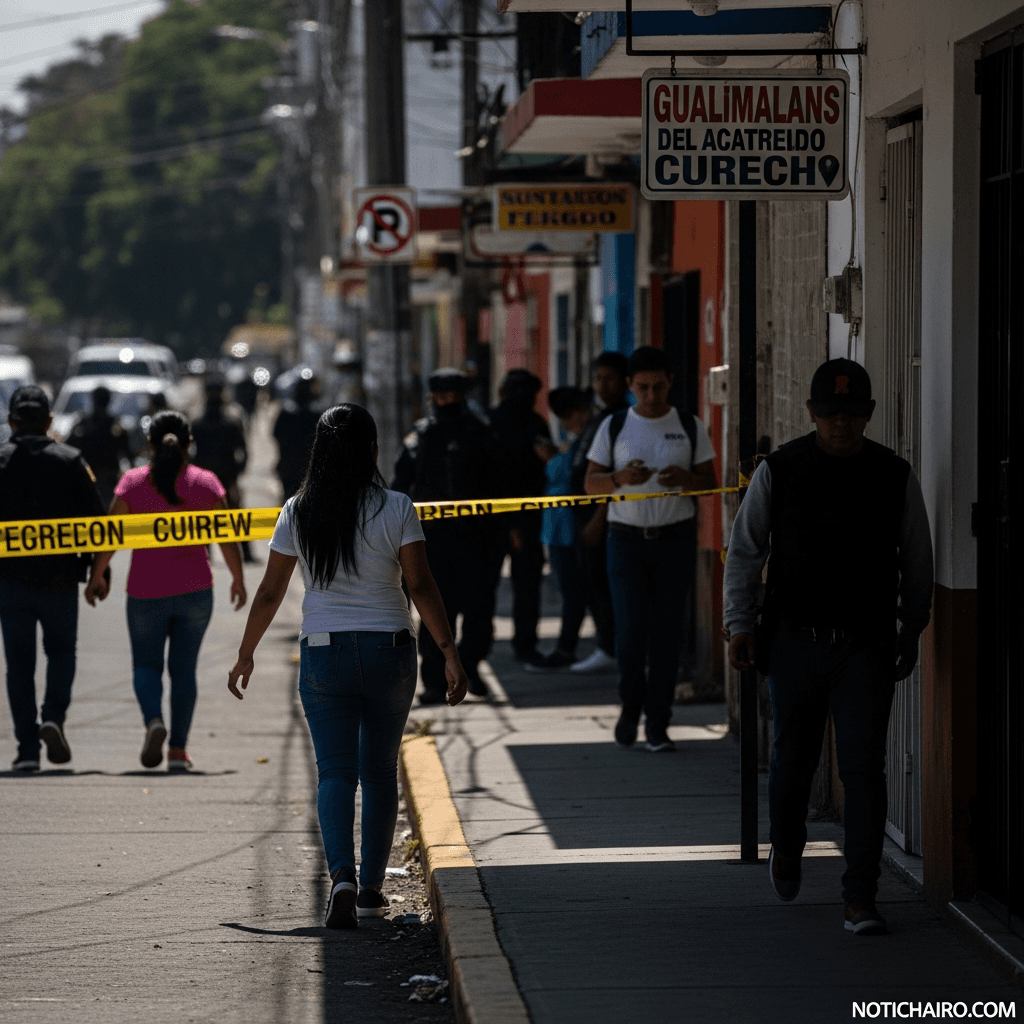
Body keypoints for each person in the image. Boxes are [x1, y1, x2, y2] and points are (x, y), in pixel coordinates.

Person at [226, 404, 469, 929]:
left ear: (319, 452)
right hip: (390, 650)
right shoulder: (397, 507)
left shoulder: (298, 510)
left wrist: (245, 653)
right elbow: (421, 586)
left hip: (323, 652)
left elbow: (270, 592)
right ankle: (371, 890)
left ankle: (341, 877)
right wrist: (448, 651)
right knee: (379, 772)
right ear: (372, 451)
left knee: (335, 772)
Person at [723, 358, 933, 936]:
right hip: (793, 641)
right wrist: (739, 623)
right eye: (831, 413)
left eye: (854, 413)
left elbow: (916, 556)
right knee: (794, 759)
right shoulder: (782, 471)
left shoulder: (893, 475)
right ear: (813, 413)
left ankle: (860, 897)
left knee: (864, 769)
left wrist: (911, 626)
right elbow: (746, 550)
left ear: (868, 414)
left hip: (864, 645)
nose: (842, 423)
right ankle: (787, 845)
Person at [85, 411, 247, 771]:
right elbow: (227, 537)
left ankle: (153, 721)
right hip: (196, 590)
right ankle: (177, 751)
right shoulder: (206, 483)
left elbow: (110, 534)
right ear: (189, 443)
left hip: (145, 591)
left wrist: (98, 574)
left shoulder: (132, 483)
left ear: (150, 444)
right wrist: (238, 578)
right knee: (184, 671)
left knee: (146, 665)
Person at [585, 346, 717, 752]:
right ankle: (630, 706)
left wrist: (685, 479)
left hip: (674, 538)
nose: (651, 395)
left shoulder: (690, 426)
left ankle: (658, 721)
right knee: (630, 632)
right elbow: (590, 484)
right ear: (630, 385)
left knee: (665, 635)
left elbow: (709, 482)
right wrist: (620, 478)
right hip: (625, 540)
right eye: (642, 387)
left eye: (659, 387)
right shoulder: (614, 425)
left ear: (670, 383)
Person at [0, 385, 109, 771]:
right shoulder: (71, 460)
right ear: (48, 422)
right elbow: (99, 524)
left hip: (9, 585)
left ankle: (27, 750)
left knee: (19, 665)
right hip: (60, 582)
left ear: (12, 421)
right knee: (61, 653)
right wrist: (100, 573)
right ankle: (53, 718)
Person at [391, 368, 497, 701]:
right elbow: (400, 487)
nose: (447, 401)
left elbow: (501, 483)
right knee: (437, 612)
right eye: (441, 395)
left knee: (480, 611)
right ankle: (436, 681)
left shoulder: (480, 433)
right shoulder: (420, 437)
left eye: (453, 394)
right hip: (432, 541)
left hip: (478, 539)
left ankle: (471, 666)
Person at [568, 351, 630, 674]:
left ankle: (611, 646)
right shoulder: (599, 416)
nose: (602, 385)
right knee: (591, 583)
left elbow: (617, 476)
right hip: (583, 515)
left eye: (609, 378)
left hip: (602, 520)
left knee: (605, 586)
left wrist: (597, 518)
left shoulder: (621, 419)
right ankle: (606, 644)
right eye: (598, 378)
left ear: (624, 382)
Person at [486, 369, 552, 664]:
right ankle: (522, 646)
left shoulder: (491, 422)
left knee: (496, 587)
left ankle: (487, 649)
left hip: (508, 517)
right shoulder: (520, 422)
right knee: (520, 586)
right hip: (510, 517)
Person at [528, 386, 595, 671]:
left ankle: (567, 648)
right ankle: (567, 647)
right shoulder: (576, 440)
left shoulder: (586, 440)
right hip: (558, 524)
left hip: (569, 524)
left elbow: (567, 476)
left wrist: (552, 458)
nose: (566, 422)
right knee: (571, 589)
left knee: (573, 591)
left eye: (567, 416)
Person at [191, 377, 254, 562]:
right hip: (226, 477)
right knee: (234, 516)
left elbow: (189, 453)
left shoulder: (199, 423)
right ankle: (246, 554)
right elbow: (243, 452)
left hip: (213, 477)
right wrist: (237, 475)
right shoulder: (230, 422)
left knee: (210, 516)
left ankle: (206, 552)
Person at [66, 385, 133, 508]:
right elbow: (128, 453)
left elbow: (68, 449)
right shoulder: (114, 425)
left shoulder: (84, 424)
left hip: (92, 476)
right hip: (102, 476)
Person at [273, 374, 321, 501]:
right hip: (310, 467)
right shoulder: (317, 412)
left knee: (289, 501)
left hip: (288, 465)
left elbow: (275, 434)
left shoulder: (285, 411)